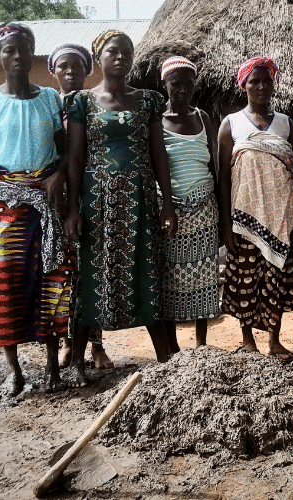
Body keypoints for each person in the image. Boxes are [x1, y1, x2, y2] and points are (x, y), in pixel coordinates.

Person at [64, 30, 178, 385]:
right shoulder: (82, 101)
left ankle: (166, 360)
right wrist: (72, 209)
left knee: (148, 274)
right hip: (97, 204)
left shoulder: (148, 101)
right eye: (113, 51)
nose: (121, 57)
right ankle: (78, 363)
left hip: (140, 201)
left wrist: (168, 203)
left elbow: (159, 154)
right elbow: (76, 158)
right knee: (91, 277)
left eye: (127, 52)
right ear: (99, 57)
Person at [0, 23, 74, 395]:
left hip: (46, 205)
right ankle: (13, 369)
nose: (17, 56)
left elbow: (65, 152)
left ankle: (51, 367)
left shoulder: (50, 99)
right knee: (6, 285)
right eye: (9, 51)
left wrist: (58, 176)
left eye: (23, 49)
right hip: (4, 205)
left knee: (53, 283)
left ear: (33, 54)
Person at [217, 56, 293, 361]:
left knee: (275, 280)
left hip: (280, 216)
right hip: (244, 218)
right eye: (255, 81)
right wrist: (225, 226)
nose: (262, 86)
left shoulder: (285, 123)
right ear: (244, 85)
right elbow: (223, 178)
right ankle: (247, 340)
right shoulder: (231, 124)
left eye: (267, 80)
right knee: (245, 278)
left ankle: (274, 341)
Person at [47, 43, 115, 371]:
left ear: (89, 70)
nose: (70, 72)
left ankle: (96, 344)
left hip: (91, 197)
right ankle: (67, 342)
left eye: (77, 67)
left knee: (91, 271)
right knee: (63, 275)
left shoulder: (94, 104)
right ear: (53, 71)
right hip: (55, 201)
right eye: (63, 67)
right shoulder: (47, 105)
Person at [159, 56, 222, 347]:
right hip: (171, 211)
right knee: (171, 278)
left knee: (205, 277)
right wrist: (166, 207)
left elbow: (214, 167)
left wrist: (221, 210)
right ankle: (172, 347)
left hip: (204, 208)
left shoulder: (202, 118)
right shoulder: (157, 122)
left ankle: (201, 344)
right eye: (176, 84)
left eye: (188, 83)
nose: (182, 89)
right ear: (165, 84)